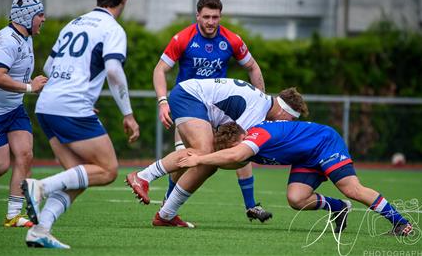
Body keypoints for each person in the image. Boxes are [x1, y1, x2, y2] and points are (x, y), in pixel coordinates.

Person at [21, 0, 140, 249]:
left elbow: (50, 68)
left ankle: (40, 230)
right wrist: (128, 113)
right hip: (70, 106)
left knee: (79, 175)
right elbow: (113, 70)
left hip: (47, 105)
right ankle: (41, 187)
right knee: (108, 170)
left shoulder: (73, 24)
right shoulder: (112, 29)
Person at [177, 120, 414, 236]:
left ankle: (401, 222)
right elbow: (231, 159)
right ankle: (339, 208)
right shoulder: (243, 147)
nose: (236, 151)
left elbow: (236, 154)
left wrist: (199, 160)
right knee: (296, 199)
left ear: (244, 135)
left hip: (324, 143)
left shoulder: (256, 135)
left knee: (351, 188)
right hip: (305, 157)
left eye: (235, 145)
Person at [126, 78, 308, 227]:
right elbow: (237, 149)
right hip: (189, 96)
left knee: (207, 163)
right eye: (291, 119)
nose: (289, 124)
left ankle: (166, 215)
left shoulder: (262, 106)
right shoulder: (258, 111)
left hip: (194, 99)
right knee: (203, 153)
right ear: (284, 111)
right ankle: (142, 176)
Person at [153, 0, 269, 221]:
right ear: (197, 16)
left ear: (220, 17)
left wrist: (261, 99)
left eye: (215, 17)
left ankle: (251, 205)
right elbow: (159, 70)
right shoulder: (183, 39)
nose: (211, 21)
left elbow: (253, 67)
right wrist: (162, 101)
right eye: (206, 16)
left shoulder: (232, 40)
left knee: (242, 145)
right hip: (188, 106)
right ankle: (167, 201)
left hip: (219, 107)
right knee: (186, 158)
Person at [0, 0, 47, 227]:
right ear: (27, 16)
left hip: (13, 109)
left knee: (25, 154)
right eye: (40, 14)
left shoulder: (24, 37)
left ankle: (13, 215)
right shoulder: (7, 40)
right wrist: (30, 87)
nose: (43, 19)